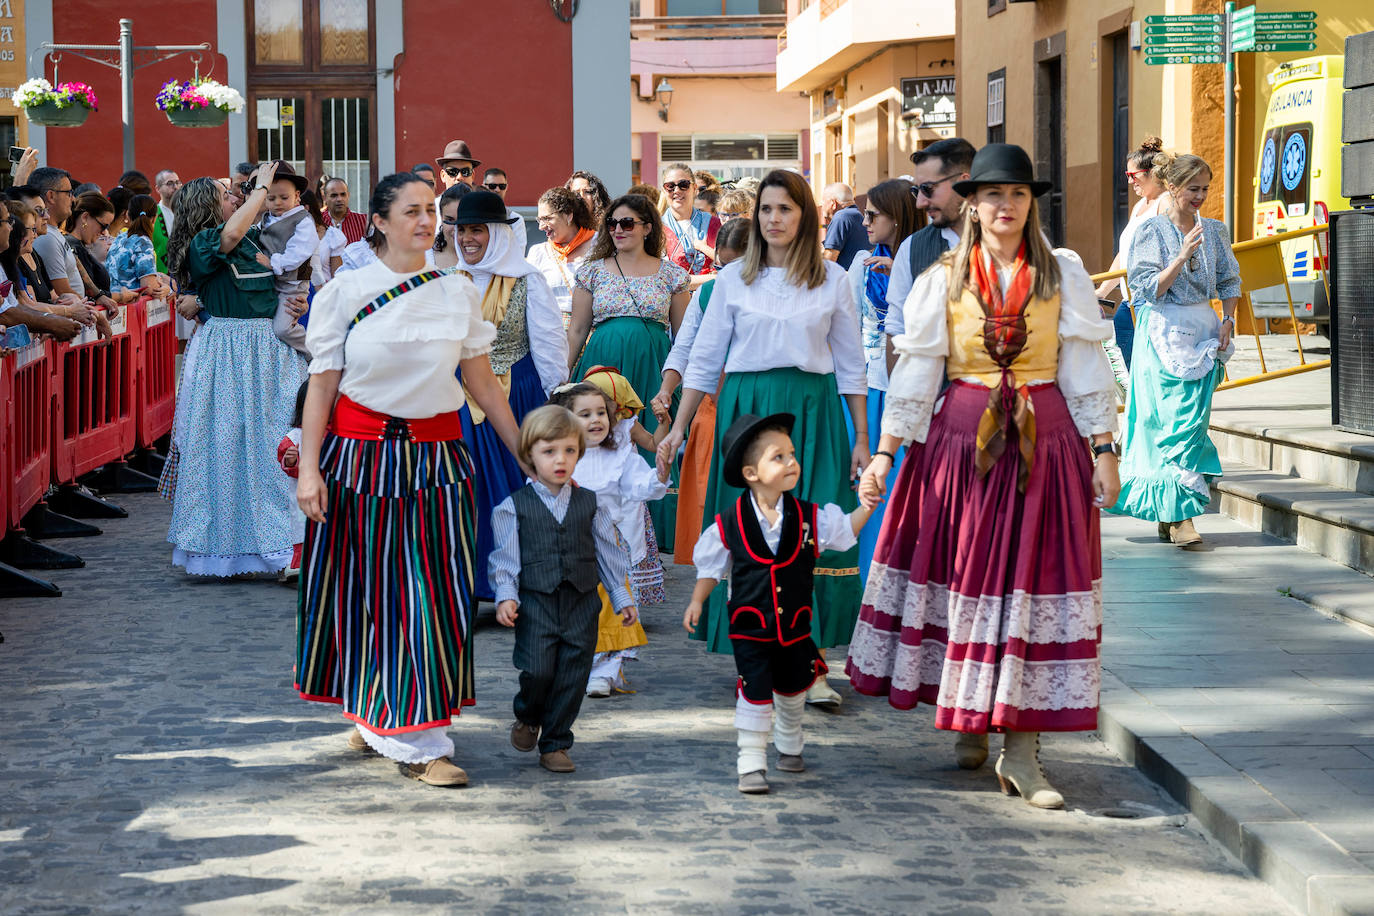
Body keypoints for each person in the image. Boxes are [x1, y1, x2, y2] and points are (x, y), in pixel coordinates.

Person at [846, 143, 1119, 809]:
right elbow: (916, 368)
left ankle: (1022, 751)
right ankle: (969, 718)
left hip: (1045, 442)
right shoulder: (943, 277)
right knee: (968, 576)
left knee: (1034, 580)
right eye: (993, 195)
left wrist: (1104, 448)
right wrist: (885, 452)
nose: (1005, 206)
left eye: (1018, 195)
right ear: (972, 203)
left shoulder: (1063, 273)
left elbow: (1083, 361)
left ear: (1031, 204)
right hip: (961, 442)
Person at [295, 170, 521, 787]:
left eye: (432, 211)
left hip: (440, 462)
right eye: (413, 211)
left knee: (435, 598)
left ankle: (420, 733)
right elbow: (324, 383)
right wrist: (309, 469)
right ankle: (387, 721)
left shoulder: (457, 291)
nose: (427, 221)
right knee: (371, 597)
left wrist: (522, 450)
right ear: (381, 221)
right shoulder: (347, 290)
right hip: (361, 463)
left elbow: (481, 384)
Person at [656, 169, 866, 708]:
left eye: (786, 210)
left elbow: (850, 363)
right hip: (746, 412)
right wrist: (677, 430)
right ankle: (757, 658)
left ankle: (810, 662)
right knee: (753, 535)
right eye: (767, 210)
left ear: (806, 217)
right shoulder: (731, 280)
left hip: (813, 411)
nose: (774, 219)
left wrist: (862, 437)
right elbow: (704, 360)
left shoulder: (832, 279)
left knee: (809, 530)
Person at [686, 412, 874, 794]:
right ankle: (751, 761)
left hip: (794, 629)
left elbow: (844, 531)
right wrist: (696, 601)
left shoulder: (809, 518)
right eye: (779, 457)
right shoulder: (729, 523)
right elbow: (711, 565)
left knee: (792, 689)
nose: (792, 463)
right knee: (754, 689)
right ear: (751, 473)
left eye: (792, 454)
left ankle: (789, 738)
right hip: (749, 628)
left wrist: (866, 506)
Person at [163, 166, 311, 577]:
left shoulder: (254, 235)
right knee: (226, 450)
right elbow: (227, 239)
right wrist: (261, 189)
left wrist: (295, 305)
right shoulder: (205, 241)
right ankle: (235, 548)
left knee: (278, 446)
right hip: (229, 353)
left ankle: (289, 544)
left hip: (267, 349)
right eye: (227, 194)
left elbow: (285, 279)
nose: (237, 196)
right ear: (208, 206)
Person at [490, 404, 638, 774]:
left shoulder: (591, 504)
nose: (561, 459)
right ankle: (527, 715)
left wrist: (620, 597)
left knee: (573, 673)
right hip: (536, 604)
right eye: (549, 451)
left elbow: (607, 553)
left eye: (569, 450)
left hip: (582, 603)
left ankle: (556, 741)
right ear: (529, 456)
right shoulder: (514, 507)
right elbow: (505, 559)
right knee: (538, 670)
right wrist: (506, 595)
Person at [1109, 152, 1239, 549]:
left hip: (1203, 332)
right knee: (1169, 427)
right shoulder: (1150, 231)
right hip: (1162, 330)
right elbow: (1147, 288)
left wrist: (1228, 320)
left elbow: (1230, 279)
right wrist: (1181, 256)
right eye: (1192, 189)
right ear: (1172, 186)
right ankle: (1181, 518)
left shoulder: (1214, 230)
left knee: (1192, 424)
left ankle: (1174, 513)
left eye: (1205, 189)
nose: (1200, 196)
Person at [450, 189, 568, 602]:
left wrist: (555, 406)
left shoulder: (527, 279)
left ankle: (515, 586)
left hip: (516, 398)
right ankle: (464, 588)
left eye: (477, 230)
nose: (467, 239)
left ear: (498, 233)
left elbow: (550, 345)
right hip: (455, 404)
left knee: (515, 492)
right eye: (462, 230)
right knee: (463, 494)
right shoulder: (446, 280)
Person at [568, 193, 690, 553]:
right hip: (602, 366)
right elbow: (577, 329)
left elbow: (683, 336)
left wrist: (678, 378)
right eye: (612, 223)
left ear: (648, 227)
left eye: (627, 223)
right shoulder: (590, 270)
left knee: (653, 435)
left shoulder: (672, 274)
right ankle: (600, 524)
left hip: (654, 363)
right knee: (602, 439)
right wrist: (561, 376)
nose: (618, 230)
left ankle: (659, 532)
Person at [548, 381, 666, 697]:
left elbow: (641, 487)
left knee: (612, 608)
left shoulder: (620, 457)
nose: (596, 419)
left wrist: (661, 473)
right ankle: (575, 667)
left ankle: (606, 671)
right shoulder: (556, 457)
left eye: (601, 412)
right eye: (585, 414)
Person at [651, 217, 751, 566]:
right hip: (712, 408)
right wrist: (667, 389)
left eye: (735, 266)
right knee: (710, 492)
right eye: (720, 265)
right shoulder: (708, 292)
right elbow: (685, 348)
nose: (725, 274)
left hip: (755, 406)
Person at [845, 179, 920, 585]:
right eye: (864, 214)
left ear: (898, 216)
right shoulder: (862, 263)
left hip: (917, 388)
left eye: (873, 215)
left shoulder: (925, 261)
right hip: (873, 388)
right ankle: (875, 576)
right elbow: (851, 331)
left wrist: (905, 276)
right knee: (877, 486)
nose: (865, 222)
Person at [885, 138, 976, 372]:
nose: (920, 203)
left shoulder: (1011, 241)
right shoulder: (911, 248)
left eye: (928, 189)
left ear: (963, 183)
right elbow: (897, 329)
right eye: (917, 190)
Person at [1095, 136, 1172, 369]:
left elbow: (1172, 250)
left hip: (1153, 301)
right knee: (1130, 358)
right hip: (1131, 300)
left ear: (1152, 173)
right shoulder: (1140, 206)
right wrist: (1103, 290)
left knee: (1153, 363)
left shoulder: (1165, 203)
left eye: (1133, 176)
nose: (1130, 182)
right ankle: (1140, 402)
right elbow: (1124, 253)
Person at [256, 161, 316, 357]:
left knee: (283, 328)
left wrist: (273, 262)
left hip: (292, 283)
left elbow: (299, 252)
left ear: (297, 197)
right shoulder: (266, 218)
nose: (278, 203)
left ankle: (315, 352)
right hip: (272, 282)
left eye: (284, 197)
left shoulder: (302, 220)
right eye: (271, 198)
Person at [528, 186, 597, 329]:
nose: (541, 226)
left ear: (568, 216)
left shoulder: (598, 244)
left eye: (547, 218)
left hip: (590, 330)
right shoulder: (538, 252)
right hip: (548, 333)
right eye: (539, 219)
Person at [660, 162, 721, 290]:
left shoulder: (715, 224)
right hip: (673, 306)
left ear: (694, 189)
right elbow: (662, 280)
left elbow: (732, 269)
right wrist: (713, 278)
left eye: (683, 185)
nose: (676, 191)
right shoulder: (656, 229)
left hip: (710, 302)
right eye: (670, 186)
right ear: (664, 190)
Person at [276, 381, 308, 582]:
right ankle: (300, 567)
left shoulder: (340, 434)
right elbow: (288, 466)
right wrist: (291, 460)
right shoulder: (295, 437)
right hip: (304, 496)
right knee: (304, 531)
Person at [106, 194, 166, 299]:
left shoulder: (119, 239)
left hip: (115, 304)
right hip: (131, 306)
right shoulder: (143, 242)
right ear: (154, 218)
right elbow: (149, 288)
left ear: (128, 215)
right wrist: (166, 287)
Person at [820, 183, 867, 270]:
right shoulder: (857, 216)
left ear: (833, 203)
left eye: (823, 200)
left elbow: (828, 262)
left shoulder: (841, 217)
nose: (822, 205)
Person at [430, 184, 470, 270]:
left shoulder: (489, 260)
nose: (456, 227)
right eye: (450, 220)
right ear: (441, 217)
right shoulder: (424, 258)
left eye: (463, 219)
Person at [321, 177, 369, 245]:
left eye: (343, 194)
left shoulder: (363, 221)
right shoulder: (318, 221)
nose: (339, 199)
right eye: (334, 195)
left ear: (348, 195)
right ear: (324, 198)